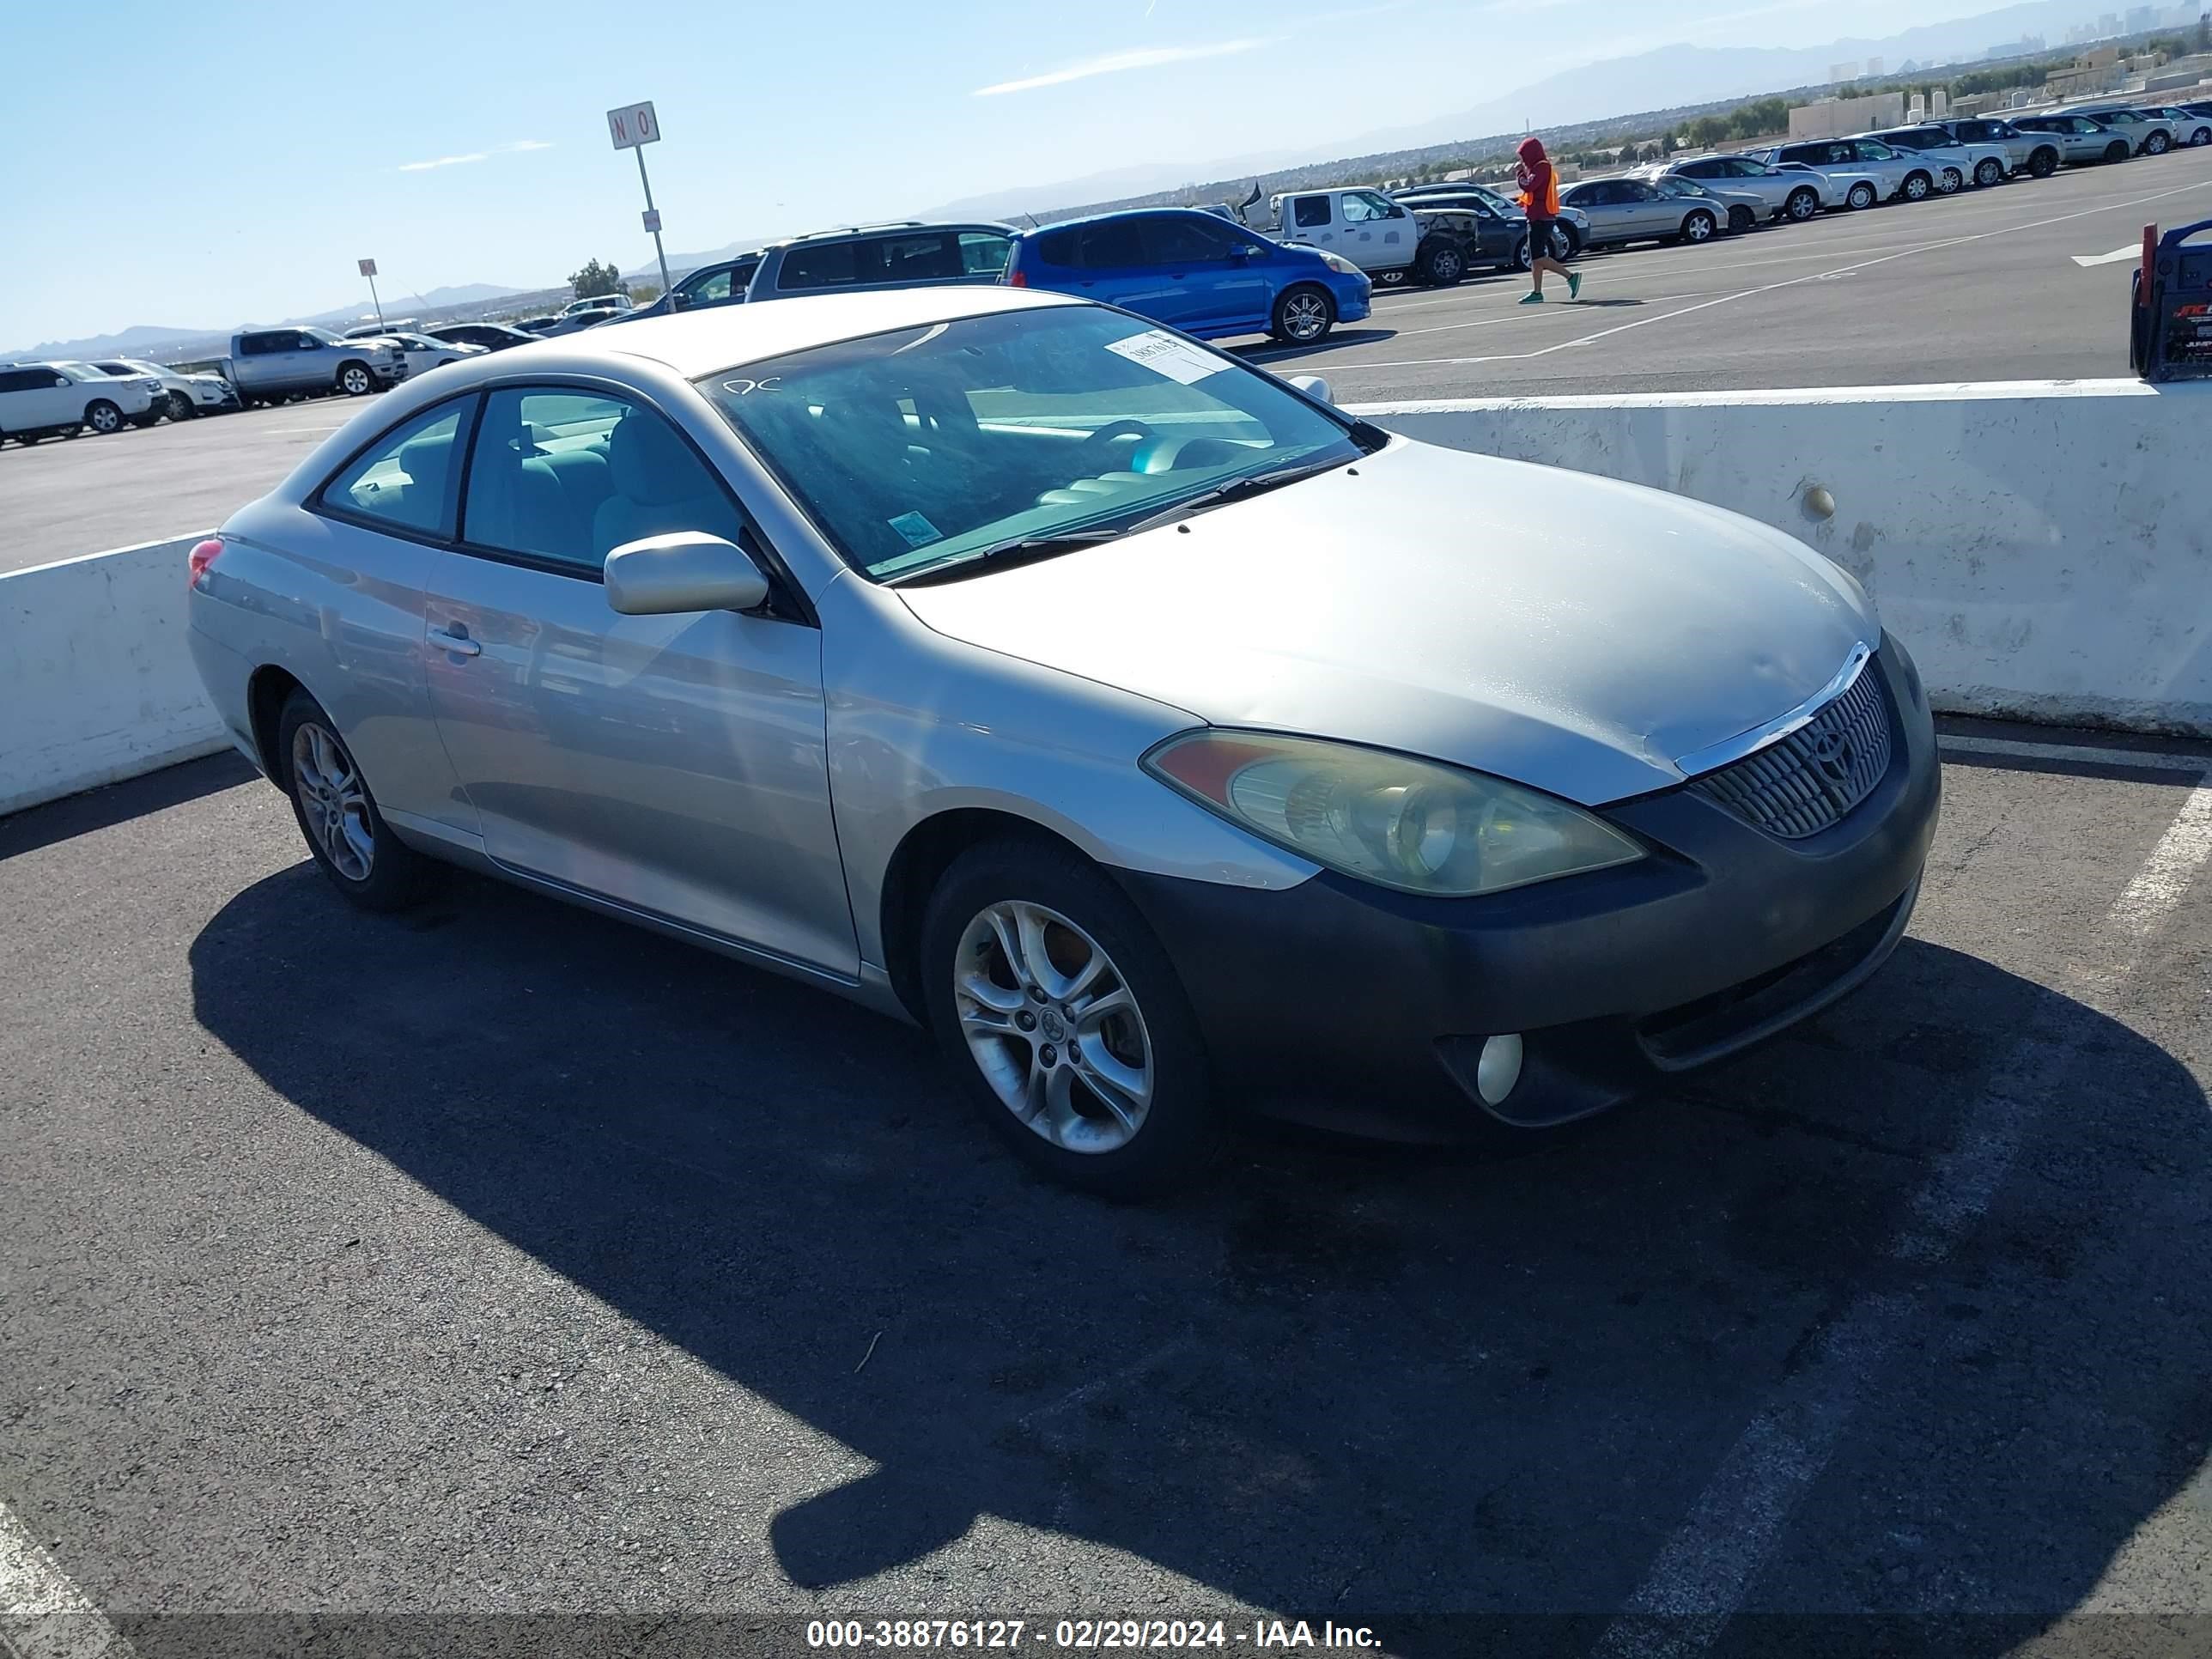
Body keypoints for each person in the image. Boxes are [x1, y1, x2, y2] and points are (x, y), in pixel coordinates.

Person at [1515, 137, 1581, 305]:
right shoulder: (1538, 168)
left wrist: (1520, 173)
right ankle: (1537, 292)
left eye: (1523, 156)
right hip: (1536, 217)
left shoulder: (1542, 167)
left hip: (1542, 218)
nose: (1522, 160)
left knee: (1537, 257)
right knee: (1535, 257)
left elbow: (1529, 186)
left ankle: (1570, 276)